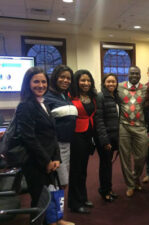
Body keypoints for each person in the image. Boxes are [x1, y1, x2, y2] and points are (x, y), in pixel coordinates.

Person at [15, 67, 61, 210]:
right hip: (35, 162)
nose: (41, 85)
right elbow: (29, 138)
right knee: (39, 199)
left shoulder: (43, 103)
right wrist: (46, 161)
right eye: (36, 82)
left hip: (49, 158)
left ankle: (54, 221)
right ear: (28, 83)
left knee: (50, 194)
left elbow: (52, 133)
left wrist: (56, 157)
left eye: (43, 81)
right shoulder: (25, 106)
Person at [44, 65, 77, 225]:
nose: (65, 80)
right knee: (54, 183)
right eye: (62, 77)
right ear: (55, 77)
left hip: (66, 145)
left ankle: (57, 218)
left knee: (61, 183)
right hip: (54, 147)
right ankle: (53, 220)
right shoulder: (47, 97)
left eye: (68, 78)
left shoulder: (64, 96)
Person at [68, 69, 97, 214]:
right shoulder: (70, 96)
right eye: (83, 80)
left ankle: (83, 197)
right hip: (76, 135)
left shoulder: (92, 96)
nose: (86, 83)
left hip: (88, 135)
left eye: (88, 80)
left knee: (83, 170)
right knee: (76, 170)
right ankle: (74, 203)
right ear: (76, 82)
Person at [118, 66, 148, 197]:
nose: (134, 75)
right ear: (128, 74)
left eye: (137, 73)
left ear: (140, 75)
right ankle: (130, 184)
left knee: (141, 156)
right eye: (132, 73)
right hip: (124, 126)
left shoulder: (145, 89)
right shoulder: (119, 87)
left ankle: (136, 177)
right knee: (124, 157)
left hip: (140, 127)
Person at [94, 73, 120, 202]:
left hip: (115, 136)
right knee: (105, 166)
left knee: (109, 165)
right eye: (108, 82)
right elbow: (99, 120)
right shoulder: (100, 96)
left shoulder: (115, 96)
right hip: (105, 138)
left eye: (113, 82)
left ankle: (109, 189)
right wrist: (105, 141)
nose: (111, 84)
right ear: (104, 83)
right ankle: (104, 191)